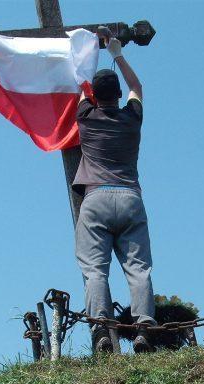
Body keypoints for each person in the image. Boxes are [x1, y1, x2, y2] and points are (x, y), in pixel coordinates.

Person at [72, 37, 155, 354]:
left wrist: (84, 51)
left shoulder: (86, 117)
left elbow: (81, 84)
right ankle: (144, 327)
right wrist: (116, 54)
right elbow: (138, 85)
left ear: (95, 96)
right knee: (139, 269)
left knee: (95, 270)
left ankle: (101, 330)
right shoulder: (133, 117)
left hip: (96, 199)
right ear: (119, 95)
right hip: (130, 197)